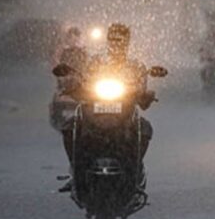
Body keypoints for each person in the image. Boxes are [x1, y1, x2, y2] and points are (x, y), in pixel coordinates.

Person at [57, 23, 155, 191]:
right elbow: (83, 81)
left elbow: (142, 90)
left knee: (144, 128)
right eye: (113, 39)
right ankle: (76, 171)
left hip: (124, 111)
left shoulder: (136, 66)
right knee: (69, 126)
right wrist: (73, 86)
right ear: (108, 41)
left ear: (127, 42)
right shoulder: (96, 62)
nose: (116, 43)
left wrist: (144, 95)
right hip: (96, 108)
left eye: (121, 40)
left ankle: (135, 170)